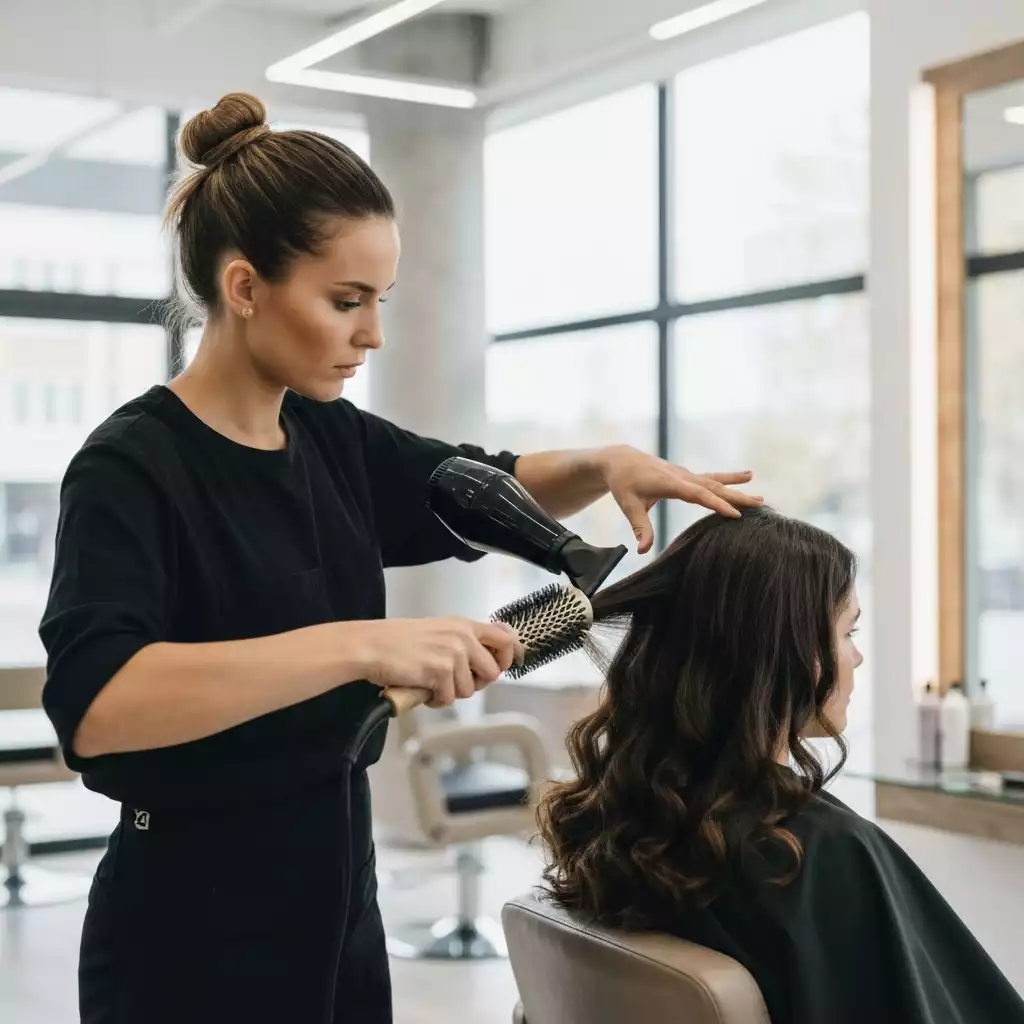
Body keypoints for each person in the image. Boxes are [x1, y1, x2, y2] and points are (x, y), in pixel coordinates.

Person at [38, 92, 760, 1024]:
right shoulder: (132, 465)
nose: (371, 334)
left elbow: (483, 481)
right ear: (246, 286)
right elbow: (99, 707)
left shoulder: (332, 439)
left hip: (338, 900)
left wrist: (605, 462)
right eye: (346, 302)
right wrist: (363, 647)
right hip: (189, 929)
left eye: (380, 302)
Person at [539, 507, 1024, 1024]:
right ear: (787, 652)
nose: (856, 659)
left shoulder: (618, 820)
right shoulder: (820, 853)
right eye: (848, 634)